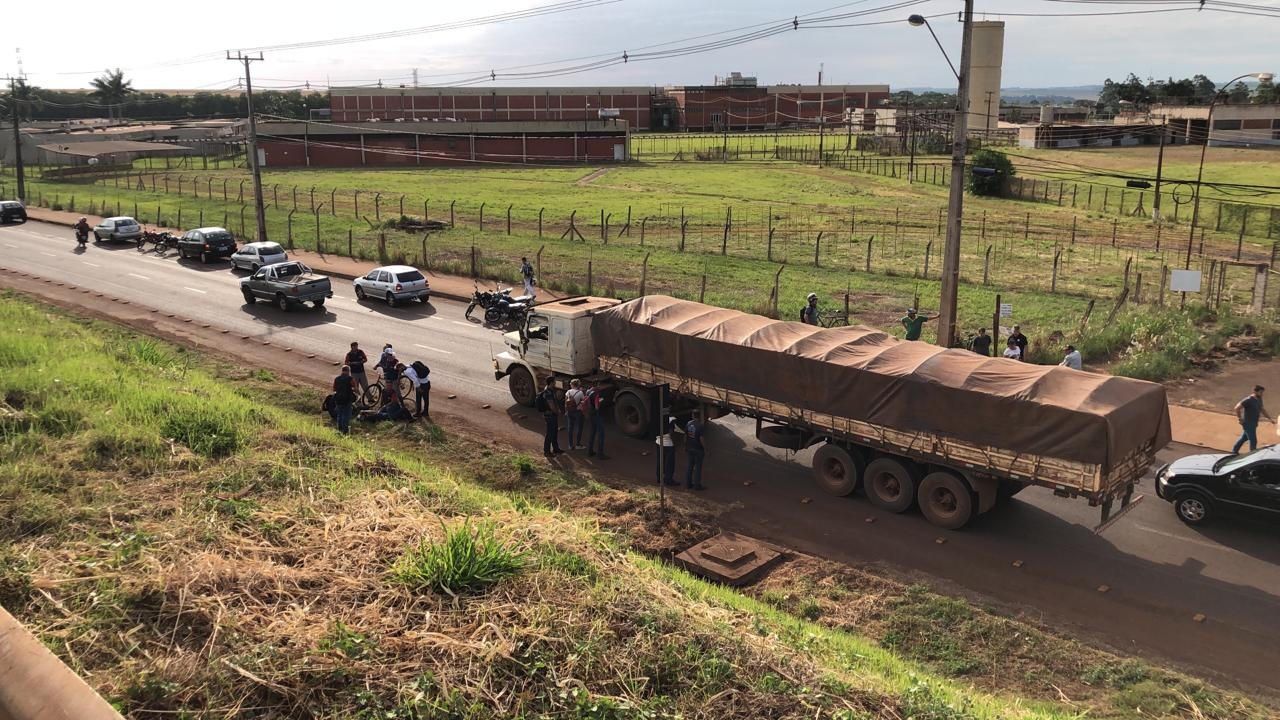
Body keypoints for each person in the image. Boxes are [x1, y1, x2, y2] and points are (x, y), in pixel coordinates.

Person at [1232, 385, 1272, 454]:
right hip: (1247, 423)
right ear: (1255, 391)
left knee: (1244, 438)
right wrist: (1240, 418)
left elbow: (1262, 409)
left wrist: (1269, 418)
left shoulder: (1259, 399)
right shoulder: (1248, 400)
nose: (1262, 394)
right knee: (1253, 440)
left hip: (1254, 423)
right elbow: (1236, 408)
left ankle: (1234, 451)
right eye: (1261, 392)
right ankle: (1252, 456)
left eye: (1262, 392)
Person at [535, 384, 563, 456]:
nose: (555, 384)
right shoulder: (548, 393)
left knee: (554, 432)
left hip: (550, 415)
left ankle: (555, 448)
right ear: (551, 383)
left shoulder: (548, 391)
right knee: (550, 433)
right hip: (550, 415)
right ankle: (547, 451)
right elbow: (551, 405)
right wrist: (556, 412)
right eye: (554, 382)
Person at [332, 365, 358, 434]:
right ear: (348, 371)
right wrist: (352, 389)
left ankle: (339, 430)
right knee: (346, 416)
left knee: (339, 415)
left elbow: (334, 389)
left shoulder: (337, 379)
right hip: (347, 399)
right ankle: (345, 431)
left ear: (342, 371)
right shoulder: (350, 379)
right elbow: (356, 389)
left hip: (338, 399)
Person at [684, 411, 706, 491]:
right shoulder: (700, 426)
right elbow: (701, 439)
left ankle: (688, 484)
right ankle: (697, 485)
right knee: (698, 467)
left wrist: (685, 445)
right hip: (698, 449)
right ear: (699, 416)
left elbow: (685, 436)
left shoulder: (688, 423)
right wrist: (706, 449)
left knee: (690, 466)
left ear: (693, 415)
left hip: (690, 448)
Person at [585, 380, 606, 459]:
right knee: (601, 434)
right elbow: (597, 407)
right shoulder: (596, 394)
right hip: (596, 414)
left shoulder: (588, 391)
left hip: (590, 413)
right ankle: (600, 453)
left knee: (592, 432)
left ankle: (590, 451)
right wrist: (601, 401)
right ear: (597, 385)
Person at [656, 416, 677, 486]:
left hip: (658, 443)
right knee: (669, 464)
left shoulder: (659, 419)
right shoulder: (671, 421)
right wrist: (674, 443)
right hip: (668, 445)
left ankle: (659, 478)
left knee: (660, 461)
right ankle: (669, 480)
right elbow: (671, 433)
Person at [565, 379, 586, 450]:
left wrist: (566, 411)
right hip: (578, 412)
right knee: (579, 428)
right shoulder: (580, 393)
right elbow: (583, 402)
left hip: (570, 412)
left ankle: (570, 445)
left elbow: (565, 402)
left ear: (572, 385)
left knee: (570, 428)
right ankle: (578, 444)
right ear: (578, 385)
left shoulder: (568, 392)